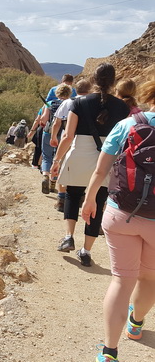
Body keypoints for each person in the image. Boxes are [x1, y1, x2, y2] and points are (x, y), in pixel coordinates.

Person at [81, 77, 155, 362]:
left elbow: (101, 170)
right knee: (149, 277)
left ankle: (109, 352)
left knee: (122, 281)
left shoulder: (127, 124)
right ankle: (136, 323)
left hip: (120, 213)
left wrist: (89, 200)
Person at [51, 63, 129, 267]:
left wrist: (57, 160)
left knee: (72, 194)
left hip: (80, 154)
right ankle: (86, 251)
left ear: (93, 80)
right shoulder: (122, 107)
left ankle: (68, 236)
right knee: (98, 200)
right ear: (114, 82)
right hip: (107, 157)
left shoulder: (79, 102)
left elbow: (67, 136)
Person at [49, 79, 92, 212]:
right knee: (86, 168)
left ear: (76, 90)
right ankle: (81, 196)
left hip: (67, 138)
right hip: (87, 141)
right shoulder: (93, 103)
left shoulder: (68, 102)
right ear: (89, 90)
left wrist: (53, 137)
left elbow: (57, 122)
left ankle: (61, 199)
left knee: (62, 166)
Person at [39, 84, 71, 194]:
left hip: (48, 132)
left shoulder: (50, 104)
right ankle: (53, 183)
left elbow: (43, 119)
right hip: (62, 133)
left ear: (57, 93)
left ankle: (45, 177)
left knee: (46, 156)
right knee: (58, 159)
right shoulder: (70, 104)